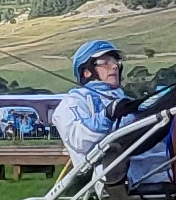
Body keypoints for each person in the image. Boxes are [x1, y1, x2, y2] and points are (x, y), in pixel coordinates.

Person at [49, 37, 133, 167]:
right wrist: (107, 115)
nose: (115, 66)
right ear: (87, 72)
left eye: (115, 61)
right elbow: (79, 140)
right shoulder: (73, 102)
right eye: (105, 63)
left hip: (156, 175)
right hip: (104, 180)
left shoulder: (124, 99)